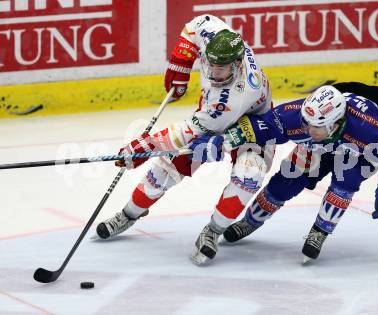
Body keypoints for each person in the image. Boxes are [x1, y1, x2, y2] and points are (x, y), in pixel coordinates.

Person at [95, 14, 274, 265]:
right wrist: (180, 65)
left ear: (236, 64)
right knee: (166, 169)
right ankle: (128, 214)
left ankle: (212, 231)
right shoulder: (220, 39)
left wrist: (145, 146)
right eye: (208, 64)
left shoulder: (235, 96)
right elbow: (195, 26)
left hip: (256, 125)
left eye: (220, 68)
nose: (212, 72)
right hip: (212, 114)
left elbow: (186, 132)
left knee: (249, 175)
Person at [190, 83, 378, 263]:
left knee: (345, 181)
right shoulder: (298, 116)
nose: (308, 129)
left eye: (315, 126)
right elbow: (262, 126)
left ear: (335, 122)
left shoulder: (369, 129)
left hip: (357, 148)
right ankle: (251, 221)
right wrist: (223, 140)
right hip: (321, 145)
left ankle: (319, 232)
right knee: (286, 180)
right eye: (306, 123)